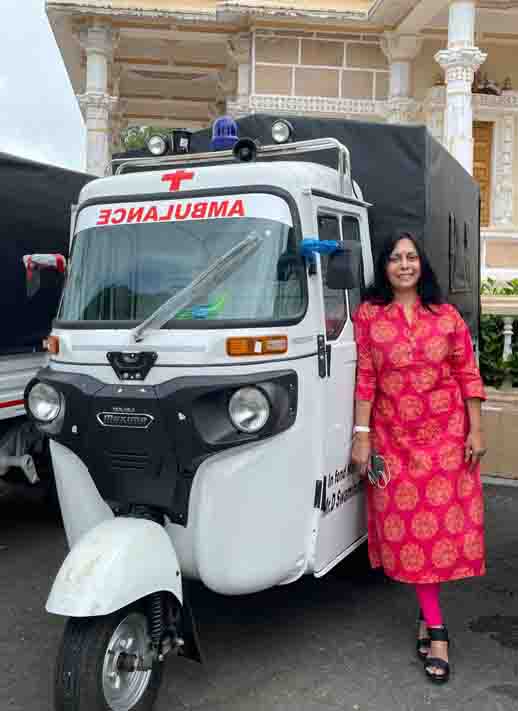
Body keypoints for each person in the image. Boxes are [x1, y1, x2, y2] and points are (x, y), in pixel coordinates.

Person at [351, 232, 487, 684]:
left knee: (440, 532)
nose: (404, 264)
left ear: (422, 264)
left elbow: (467, 373)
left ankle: (434, 626)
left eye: (411, 257)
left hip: (446, 439)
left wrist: (476, 429)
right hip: (394, 442)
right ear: (384, 267)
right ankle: (431, 619)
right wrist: (362, 437)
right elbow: (365, 378)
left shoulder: (446, 316)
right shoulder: (369, 316)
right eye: (395, 258)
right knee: (411, 535)